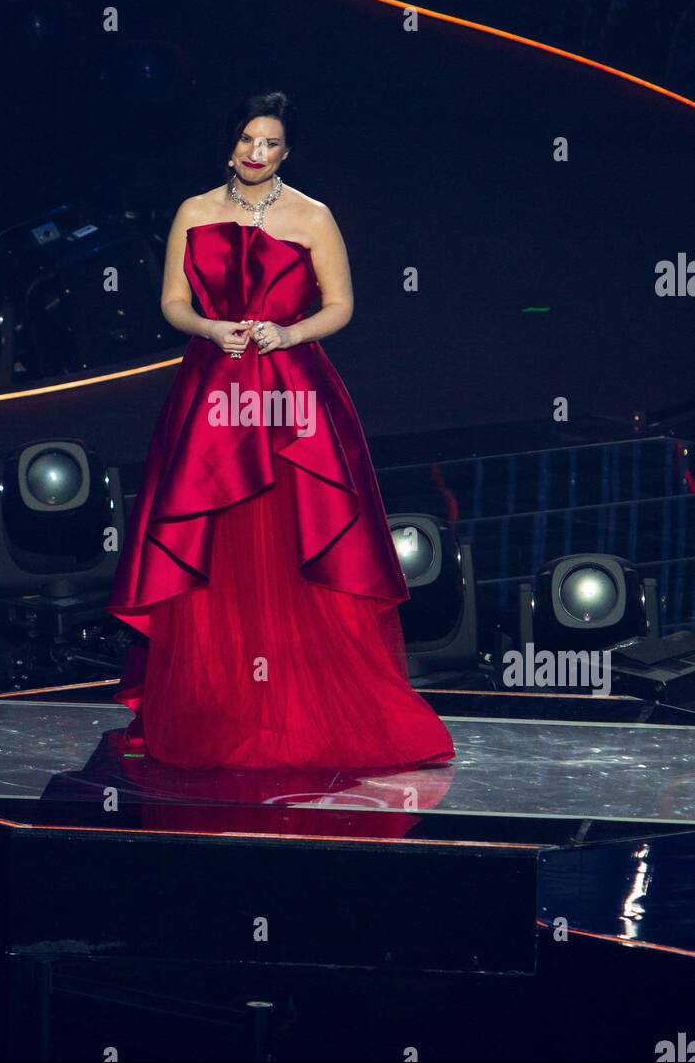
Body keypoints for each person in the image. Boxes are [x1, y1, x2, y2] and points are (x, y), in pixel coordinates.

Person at [107, 90, 455, 772]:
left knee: (298, 537)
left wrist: (288, 331)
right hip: (211, 389)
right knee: (214, 543)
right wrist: (211, 328)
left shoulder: (313, 216)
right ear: (229, 143)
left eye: (269, 143)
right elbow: (172, 302)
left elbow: (342, 305)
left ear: (286, 152)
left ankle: (299, 710)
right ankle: (216, 707)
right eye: (246, 140)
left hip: (293, 394)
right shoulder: (194, 211)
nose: (256, 152)